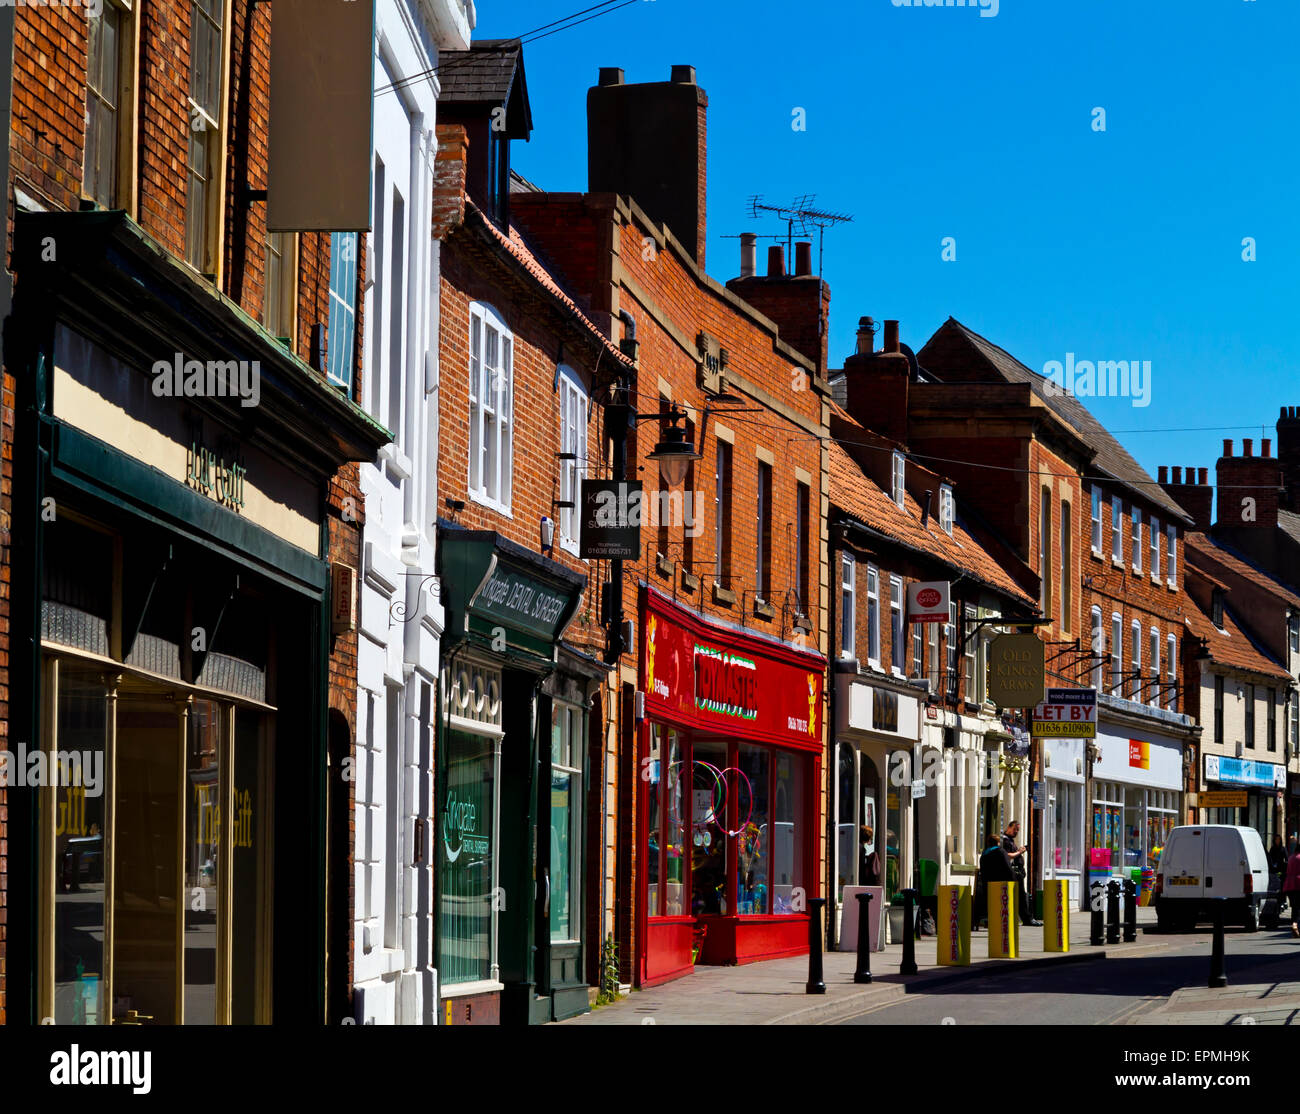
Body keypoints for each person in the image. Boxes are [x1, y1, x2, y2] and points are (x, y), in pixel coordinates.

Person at [1001, 820, 1041, 927]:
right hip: (1013, 873)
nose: (1016, 832)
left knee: (1021, 896)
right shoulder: (1005, 841)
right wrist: (1020, 852)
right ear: (1008, 827)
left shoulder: (1010, 840)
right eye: (1014, 829)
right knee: (1021, 897)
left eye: (1017, 830)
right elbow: (1008, 855)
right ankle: (1027, 919)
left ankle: (1027, 918)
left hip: (1017, 872)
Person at [1283, 847, 1300, 938]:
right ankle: (1296, 925)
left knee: (1294, 907)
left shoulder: (1290, 858)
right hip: (1298, 883)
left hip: (1289, 884)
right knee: (1298, 907)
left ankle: (1294, 924)